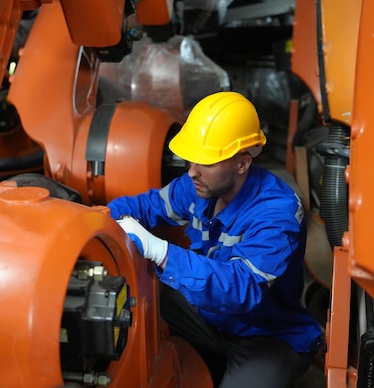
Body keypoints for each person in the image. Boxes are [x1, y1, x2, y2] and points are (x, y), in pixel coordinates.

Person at [107, 91, 323, 388]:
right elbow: (147, 207)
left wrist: (160, 251)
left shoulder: (278, 214)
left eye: (206, 162)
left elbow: (240, 289)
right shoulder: (200, 185)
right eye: (192, 160)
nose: (192, 172)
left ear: (242, 164)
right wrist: (96, 220)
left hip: (267, 338)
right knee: (144, 295)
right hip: (210, 320)